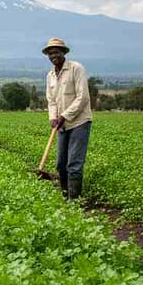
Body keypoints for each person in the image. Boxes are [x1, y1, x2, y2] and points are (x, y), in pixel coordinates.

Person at [44, 37, 92, 200]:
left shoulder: (76, 69)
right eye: (50, 53)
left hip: (79, 122)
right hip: (62, 125)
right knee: (60, 164)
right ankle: (65, 196)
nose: (53, 56)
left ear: (64, 52)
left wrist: (64, 115)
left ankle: (74, 201)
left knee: (74, 164)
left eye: (56, 52)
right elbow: (51, 101)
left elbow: (83, 97)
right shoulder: (50, 75)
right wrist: (53, 117)